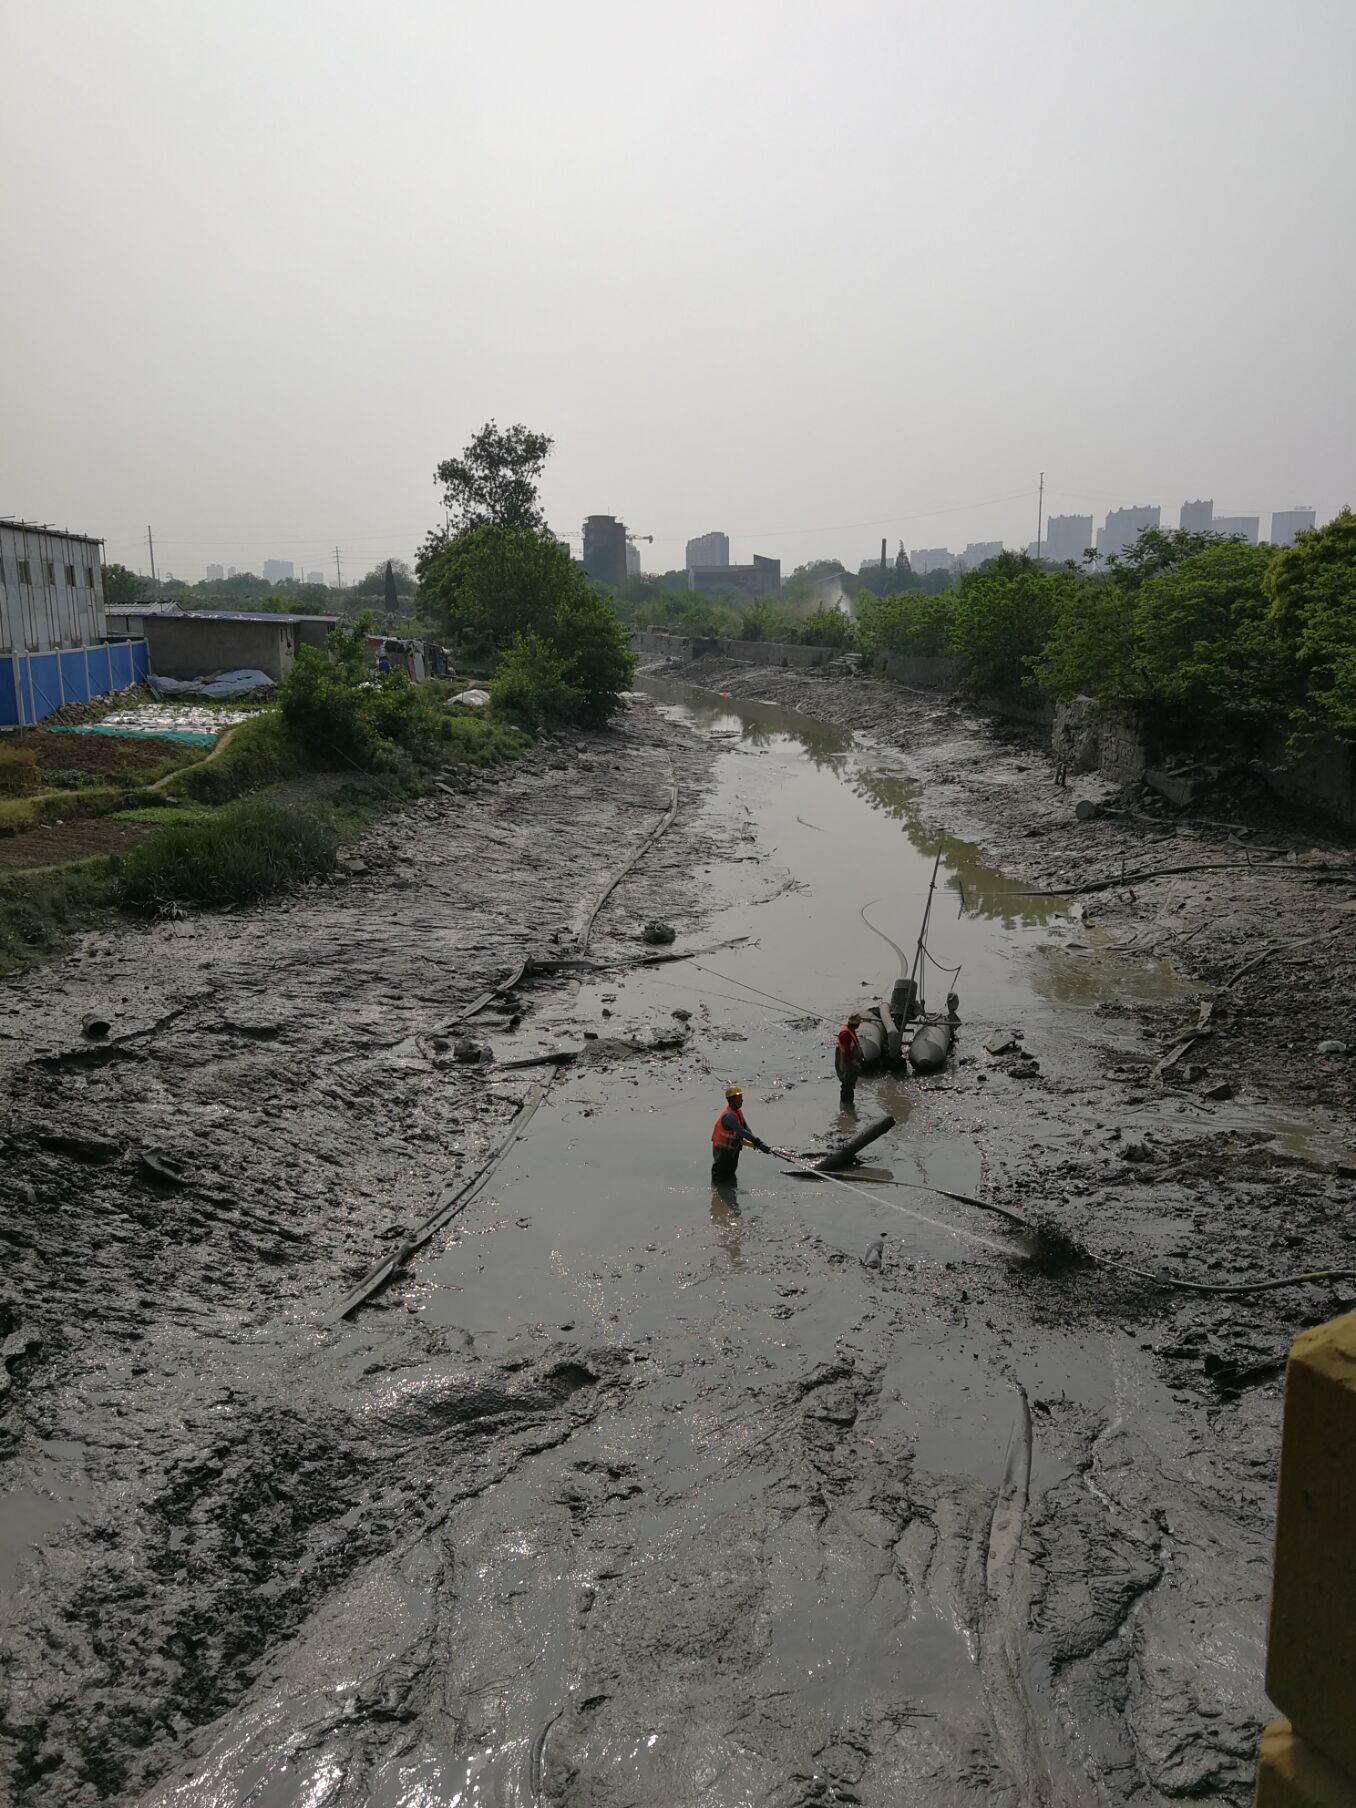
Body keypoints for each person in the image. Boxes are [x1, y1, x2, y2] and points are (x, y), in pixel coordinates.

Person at [710, 1084, 771, 1185]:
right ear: (732, 1100)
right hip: (723, 1151)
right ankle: (718, 1193)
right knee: (720, 1176)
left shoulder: (738, 1112)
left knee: (730, 1172)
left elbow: (746, 1129)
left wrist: (756, 1142)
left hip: (733, 1149)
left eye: (741, 1098)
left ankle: (729, 1191)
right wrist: (758, 1142)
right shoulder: (729, 1116)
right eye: (739, 1098)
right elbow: (741, 1131)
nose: (742, 1100)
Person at [835, 1012, 864, 1109]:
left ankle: (849, 1106)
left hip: (851, 1061)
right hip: (847, 1062)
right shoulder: (845, 1034)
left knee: (850, 1084)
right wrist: (854, 1062)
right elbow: (846, 1051)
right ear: (856, 1024)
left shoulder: (851, 1030)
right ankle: (846, 1107)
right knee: (847, 1084)